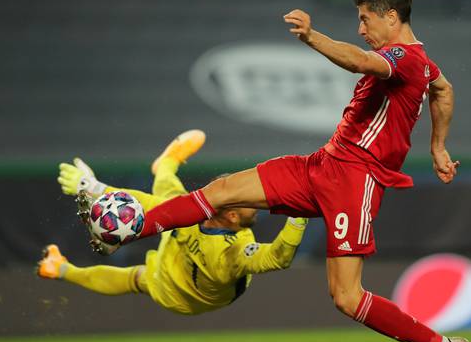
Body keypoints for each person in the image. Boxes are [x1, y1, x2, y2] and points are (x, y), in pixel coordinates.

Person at [95, 0, 469, 342]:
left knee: (346, 297)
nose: (361, 28)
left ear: (392, 16)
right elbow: (443, 89)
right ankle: (129, 230)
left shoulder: (403, 57)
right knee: (222, 191)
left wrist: (310, 36)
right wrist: (437, 146)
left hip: (355, 181)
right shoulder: (423, 64)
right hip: (321, 165)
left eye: (364, 18)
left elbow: (361, 61)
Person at [37, 130, 309, 315]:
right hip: (180, 273)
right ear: (233, 216)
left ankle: (166, 164)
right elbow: (279, 257)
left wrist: (91, 187)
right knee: (168, 199)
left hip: (179, 291)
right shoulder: (236, 251)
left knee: (166, 206)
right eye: (250, 200)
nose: (258, 201)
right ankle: (59, 269)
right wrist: (299, 215)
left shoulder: (229, 251)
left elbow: (142, 204)